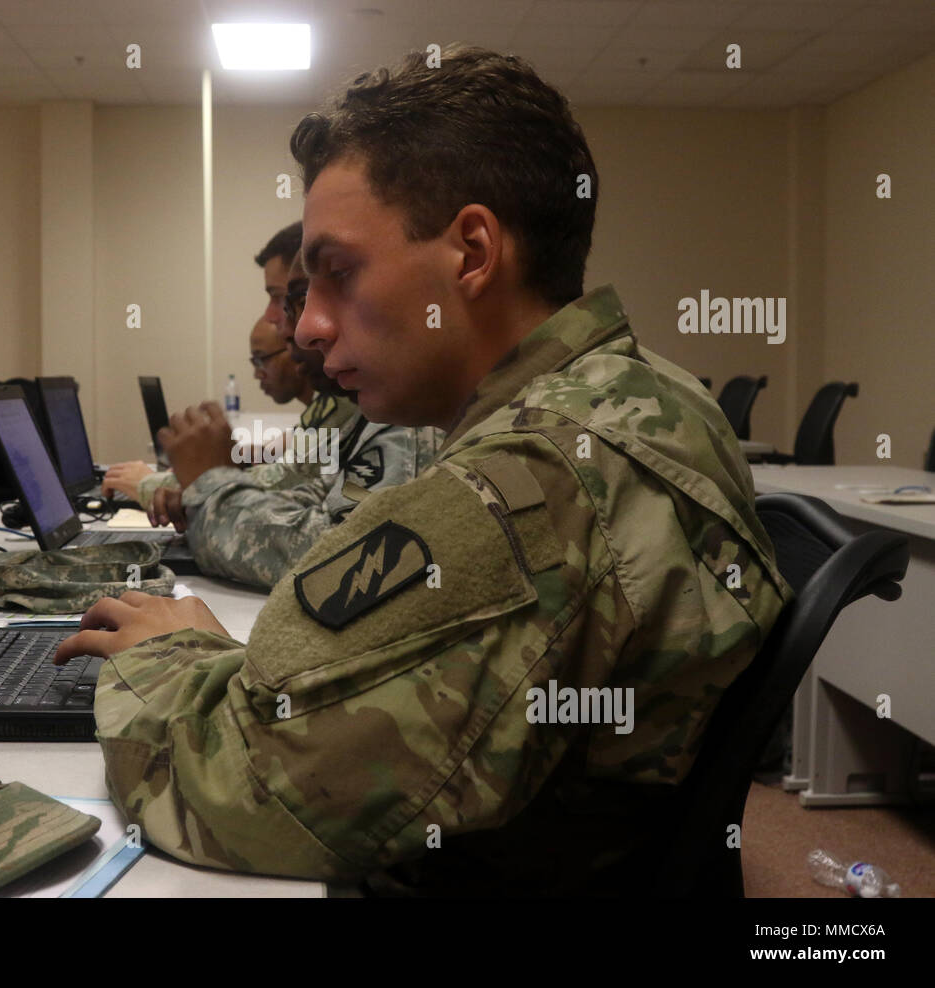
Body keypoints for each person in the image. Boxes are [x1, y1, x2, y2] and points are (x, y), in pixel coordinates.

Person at [55, 46, 790, 894]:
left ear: (472, 254)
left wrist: (166, 654)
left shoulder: (527, 481)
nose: (309, 329)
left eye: (338, 274)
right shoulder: (649, 390)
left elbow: (245, 793)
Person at [146, 253, 439, 589]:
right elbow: (309, 499)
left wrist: (211, 486)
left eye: (291, 302)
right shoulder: (371, 414)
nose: (297, 332)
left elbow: (347, 563)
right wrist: (201, 496)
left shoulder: (409, 417)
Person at [104, 222, 323, 509]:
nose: (273, 318)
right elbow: (295, 461)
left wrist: (151, 483)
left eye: (281, 297)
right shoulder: (329, 408)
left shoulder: (351, 402)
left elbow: (283, 482)